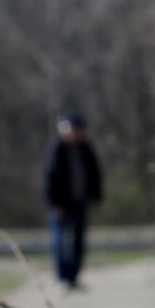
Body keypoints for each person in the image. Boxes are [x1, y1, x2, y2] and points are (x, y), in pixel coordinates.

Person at [44, 113, 102, 290]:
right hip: (60, 205)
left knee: (78, 241)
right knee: (60, 241)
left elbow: (95, 174)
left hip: (80, 203)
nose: (75, 133)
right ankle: (62, 277)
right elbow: (50, 178)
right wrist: (55, 204)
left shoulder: (85, 149)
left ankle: (74, 277)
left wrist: (96, 197)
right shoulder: (57, 149)